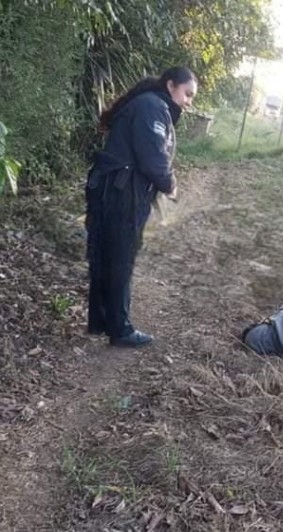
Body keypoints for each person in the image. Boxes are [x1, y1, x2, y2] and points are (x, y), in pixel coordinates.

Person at [85, 67, 198, 347]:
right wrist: (169, 184)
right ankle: (120, 330)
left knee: (107, 256)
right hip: (122, 193)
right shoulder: (152, 107)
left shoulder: (150, 103)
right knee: (121, 259)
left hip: (112, 188)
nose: (188, 101)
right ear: (171, 85)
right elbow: (153, 157)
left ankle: (103, 322)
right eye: (187, 94)